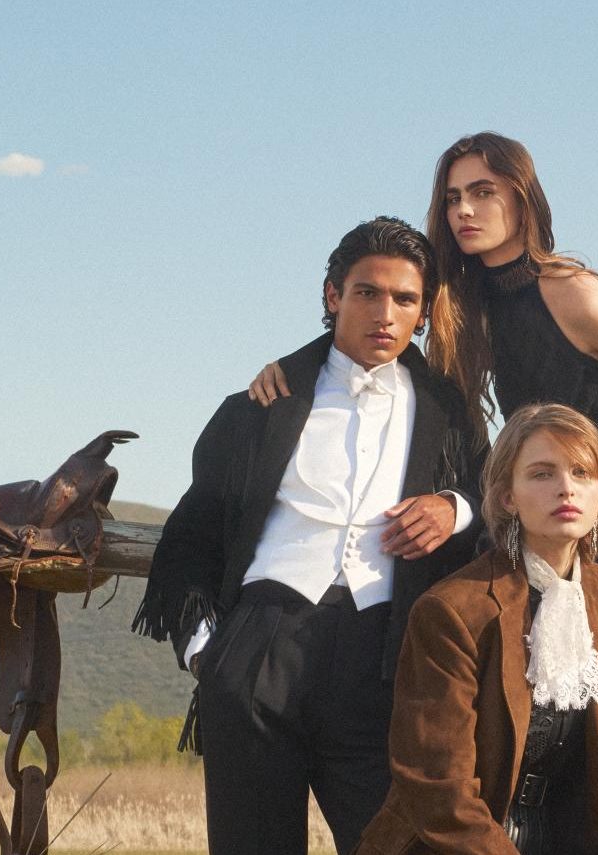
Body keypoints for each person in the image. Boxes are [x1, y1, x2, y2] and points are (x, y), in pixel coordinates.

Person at [250, 131, 598, 634]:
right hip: (555, 510)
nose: (464, 209)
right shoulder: (466, 309)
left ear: (522, 198)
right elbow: (383, 338)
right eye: (453, 198)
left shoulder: (573, 291)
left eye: (482, 192)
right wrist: (301, 366)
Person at [133, 217, 489, 855]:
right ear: (333, 295)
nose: (385, 313)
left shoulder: (449, 412)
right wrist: (207, 653)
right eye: (367, 293)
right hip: (259, 647)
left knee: (398, 844)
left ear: (423, 312)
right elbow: (192, 532)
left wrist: (454, 508)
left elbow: (499, 498)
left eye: (404, 299)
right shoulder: (264, 404)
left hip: (384, 660)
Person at [358, 403, 598, 855]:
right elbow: (440, 788)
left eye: (582, 472)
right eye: (541, 474)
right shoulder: (452, 611)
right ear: (507, 497)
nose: (566, 488)